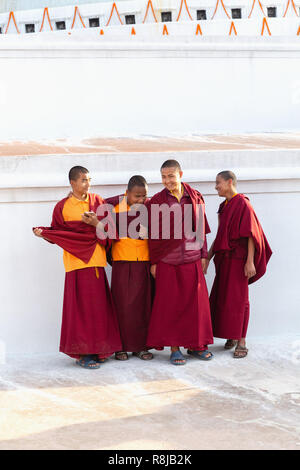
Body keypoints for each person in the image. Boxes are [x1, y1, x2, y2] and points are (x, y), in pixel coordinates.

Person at [33, 166, 122, 369]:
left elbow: (112, 232)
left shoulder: (98, 202)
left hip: (96, 261)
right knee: (80, 311)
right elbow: (58, 235)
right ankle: (84, 353)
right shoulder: (62, 207)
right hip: (75, 264)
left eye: (89, 179)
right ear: (72, 183)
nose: (87, 184)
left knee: (98, 310)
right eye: (83, 180)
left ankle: (100, 349)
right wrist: (44, 234)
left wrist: (96, 223)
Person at [146, 159, 214, 365]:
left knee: (196, 306)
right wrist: (155, 262)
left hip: (192, 258)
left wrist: (204, 255)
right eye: (163, 177)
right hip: (167, 260)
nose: (167, 181)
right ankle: (174, 348)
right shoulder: (157, 201)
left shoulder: (194, 197)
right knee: (170, 305)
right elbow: (153, 236)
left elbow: (200, 228)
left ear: (180, 174)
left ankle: (197, 345)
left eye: (170, 176)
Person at [82, 175, 154, 362]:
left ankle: (140, 346)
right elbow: (106, 233)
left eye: (144, 196)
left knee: (143, 307)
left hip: (144, 261)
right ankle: (120, 347)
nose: (141, 200)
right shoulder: (114, 208)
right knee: (121, 306)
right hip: (122, 261)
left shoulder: (150, 208)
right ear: (127, 193)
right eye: (137, 196)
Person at [207, 170, 272, 358]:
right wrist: (209, 257)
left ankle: (241, 341)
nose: (216, 186)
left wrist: (250, 261)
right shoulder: (223, 206)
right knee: (222, 299)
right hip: (224, 260)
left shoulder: (243, 203)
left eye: (218, 182)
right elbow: (220, 235)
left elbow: (251, 234)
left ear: (229, 182)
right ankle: (231, 335)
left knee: (240, 300)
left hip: (239, 260)